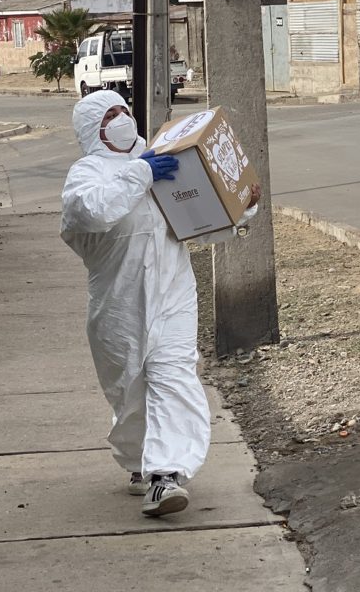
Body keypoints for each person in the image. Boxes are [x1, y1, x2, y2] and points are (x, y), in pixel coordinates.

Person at [60, 90, 261, 517]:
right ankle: (138, 460)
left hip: (173, 293)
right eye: (109, 115)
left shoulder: (164, 162)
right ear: (92, 129)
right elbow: (91, 213)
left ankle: (165, 476)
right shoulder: (87, 175)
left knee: (174, 377)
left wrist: (242, 206)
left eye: (123, 110)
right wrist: (140, 174)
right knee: (130, 391)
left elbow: (200, 221)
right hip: (119, 305)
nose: (121, 119)